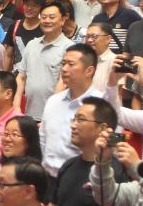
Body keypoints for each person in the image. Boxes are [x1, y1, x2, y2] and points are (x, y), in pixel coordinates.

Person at [40, 44, 103, 181]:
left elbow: (108, 149)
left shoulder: (101, 104)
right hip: (48, 178)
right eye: (63, 64)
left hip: (81, 180)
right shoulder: (53, 101)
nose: (64, 69)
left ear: (89, 71)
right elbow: (43, 140)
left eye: (71, 64)